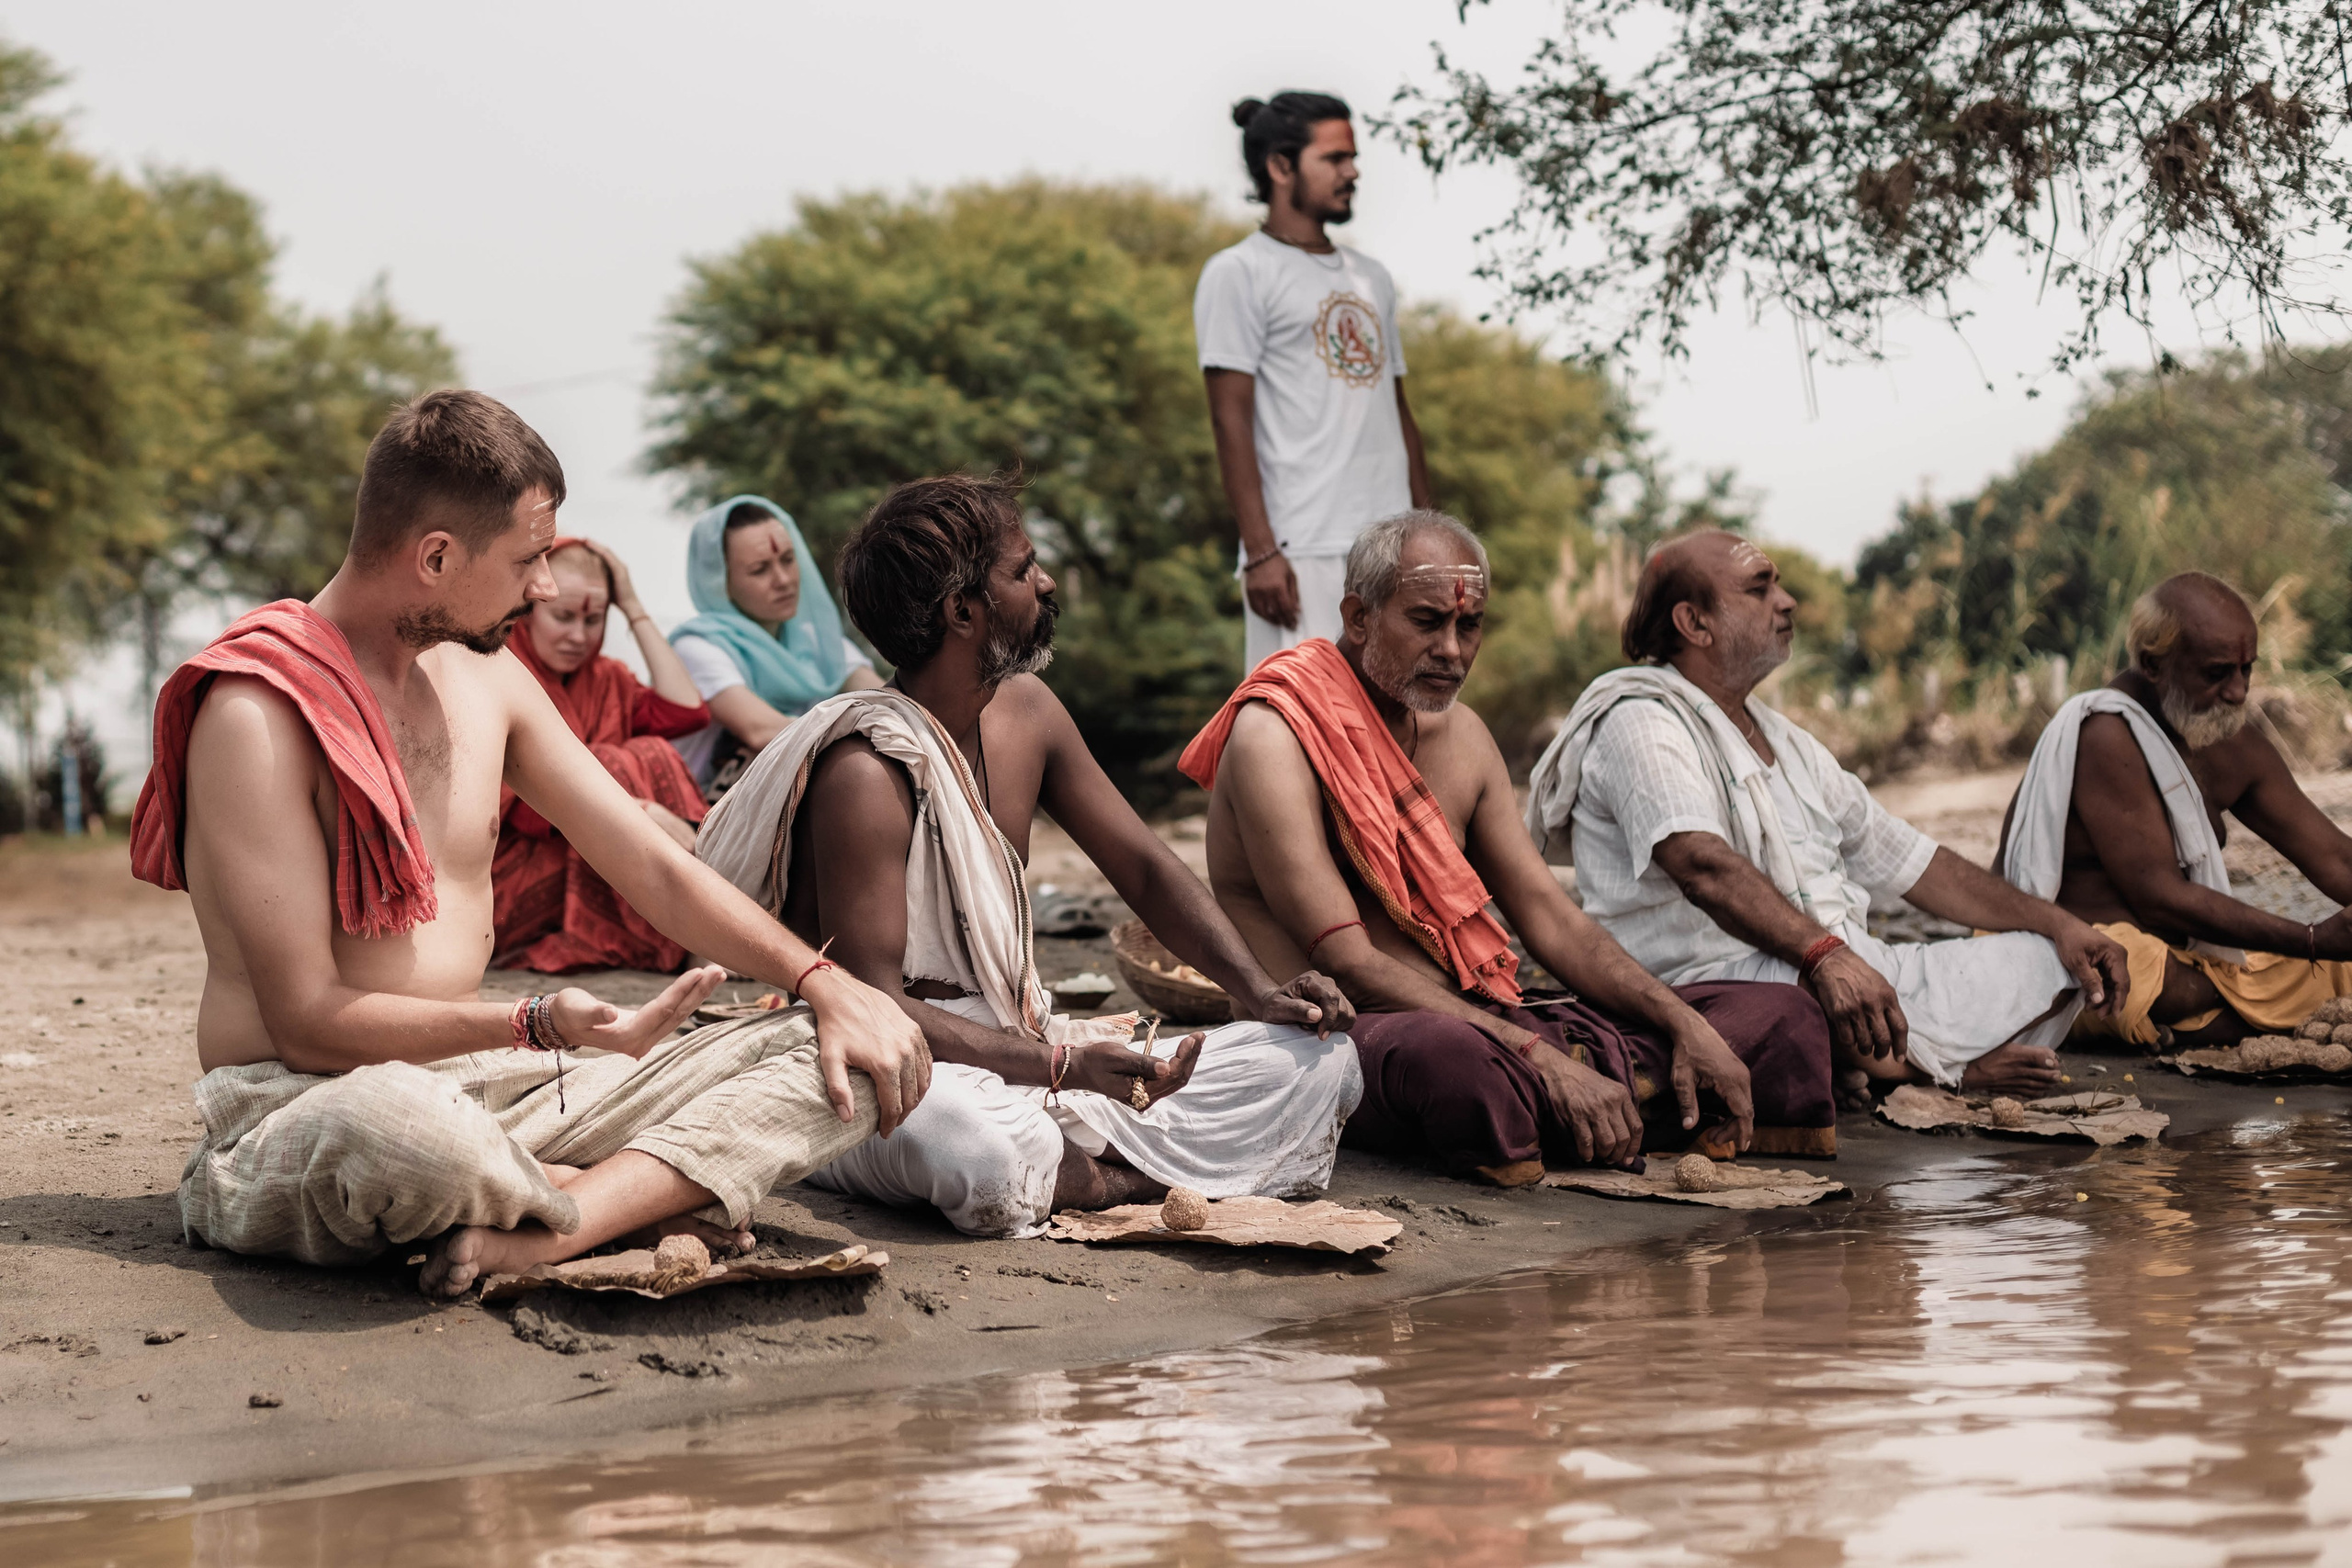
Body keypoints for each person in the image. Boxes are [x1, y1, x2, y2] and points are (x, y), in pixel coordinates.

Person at [130, 390, 930, 1299]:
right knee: (401, 1130)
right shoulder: (257, 715)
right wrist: (536, 1023)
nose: (544, 589)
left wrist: (825, 984)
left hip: (494, 1081)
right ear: (435, 557)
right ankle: (630, 1193)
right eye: (527, 560)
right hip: (307, 1103)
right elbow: (307, 1025)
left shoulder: (488, 676)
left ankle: (565, 1218)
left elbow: (650, 861)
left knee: (861, 1051)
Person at [696, 472, 1361, 1238]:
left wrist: (1261, 989)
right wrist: (1062, 1070)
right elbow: (872, 1004)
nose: (1044, 582)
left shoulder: (1029, 711)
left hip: (1019, 1041)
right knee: (976, 1146)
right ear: (963, 612)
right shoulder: (866, 772)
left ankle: (1089, 1174)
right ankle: (1127, 1173)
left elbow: (1143, 866)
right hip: (887, 1066)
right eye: (1022, 569)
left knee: (1322, 1059)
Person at [1186, 511, 1835, 1184]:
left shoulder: (1462, 735)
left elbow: (1552, 920)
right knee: (1460, 1066)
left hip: (1483, 1015)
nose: (1453, 650)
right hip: (1339, 1036)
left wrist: (1683, 1024)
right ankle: (1605, 1098)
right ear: (1358, 617)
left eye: (1469, 626)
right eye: (1427, 620)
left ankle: (1602, 1100)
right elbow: (1346, 962)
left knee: (1779, 1014)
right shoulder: (1276, 733)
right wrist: (1542, 1057)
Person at [1525, 530, 2131, 1096]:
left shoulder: (1786, 742)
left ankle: (1903, 1059)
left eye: (1778, 584)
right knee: (1800, 1003)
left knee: (2050, 961)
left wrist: (2061, 927)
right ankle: (1942, 1070)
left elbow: (1914, 862)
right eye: (1759, 588)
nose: (1786, 602)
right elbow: (1701, 865)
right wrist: (1825, 956)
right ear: (1694, 622)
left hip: (1835, 963)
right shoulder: (1641, 719)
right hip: (1711, 983)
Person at [2000, 572, 2352, 1046]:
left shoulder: (2231, 740)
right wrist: (2310, 940)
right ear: (2152, 664)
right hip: (2086, 960)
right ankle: (2215, 1012)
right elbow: (2159, 896)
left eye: (2246, 669)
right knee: (2143, 974)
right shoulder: (2105, 733)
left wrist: (2324, 946)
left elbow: (2334, 858)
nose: (2238, 691)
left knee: (2338, 969)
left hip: (2188, 964)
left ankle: (2212, 1014)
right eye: (2217, 672)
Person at [1197, 92, 1432, 671]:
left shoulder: (1371, 278)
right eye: (1334, 159)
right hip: (1302, 551)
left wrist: (1433, 536)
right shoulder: (1239, 273)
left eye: (1353, 157)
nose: (1352, 172)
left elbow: (1397, 411)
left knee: (1404, 729)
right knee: (1305, 732)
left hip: (1391, 544)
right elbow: (1231, 418)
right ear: (1281, 167)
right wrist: (1261, 554)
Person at [492, 536, 713, 972]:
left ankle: (694, 924)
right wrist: (643, 811)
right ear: (529, 608)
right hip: (510, 878)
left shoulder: (608, 677)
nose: (579, 636)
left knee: (648, 750)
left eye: (594, 620)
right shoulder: (497, 669)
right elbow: (525, 810)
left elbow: (688, 711)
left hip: (594, 856)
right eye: (563, 616)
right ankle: (694, 928)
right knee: (606, 763)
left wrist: (631, 604)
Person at [668, 495, 884, 799]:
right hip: (699, 819)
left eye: (787, 559)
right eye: (760, 570)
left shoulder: (817, 640)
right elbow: (761, 730)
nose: (783, 580)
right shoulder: (697, 648)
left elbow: (887, 700)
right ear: (720, 583)